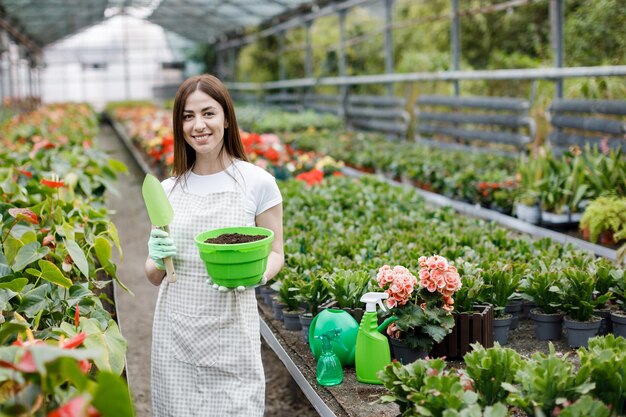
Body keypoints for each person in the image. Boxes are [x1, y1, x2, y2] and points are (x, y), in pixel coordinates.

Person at [144, 74, 284, 416]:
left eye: (208, 113)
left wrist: (258, 276)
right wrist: (156, 256)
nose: (199, 125)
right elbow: (152, 275)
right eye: (188, 116)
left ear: (226, 118)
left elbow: (277, 252)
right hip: (176, 330)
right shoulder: (167, 190)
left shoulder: (257, 183)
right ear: (179, 125)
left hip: (231, 328)